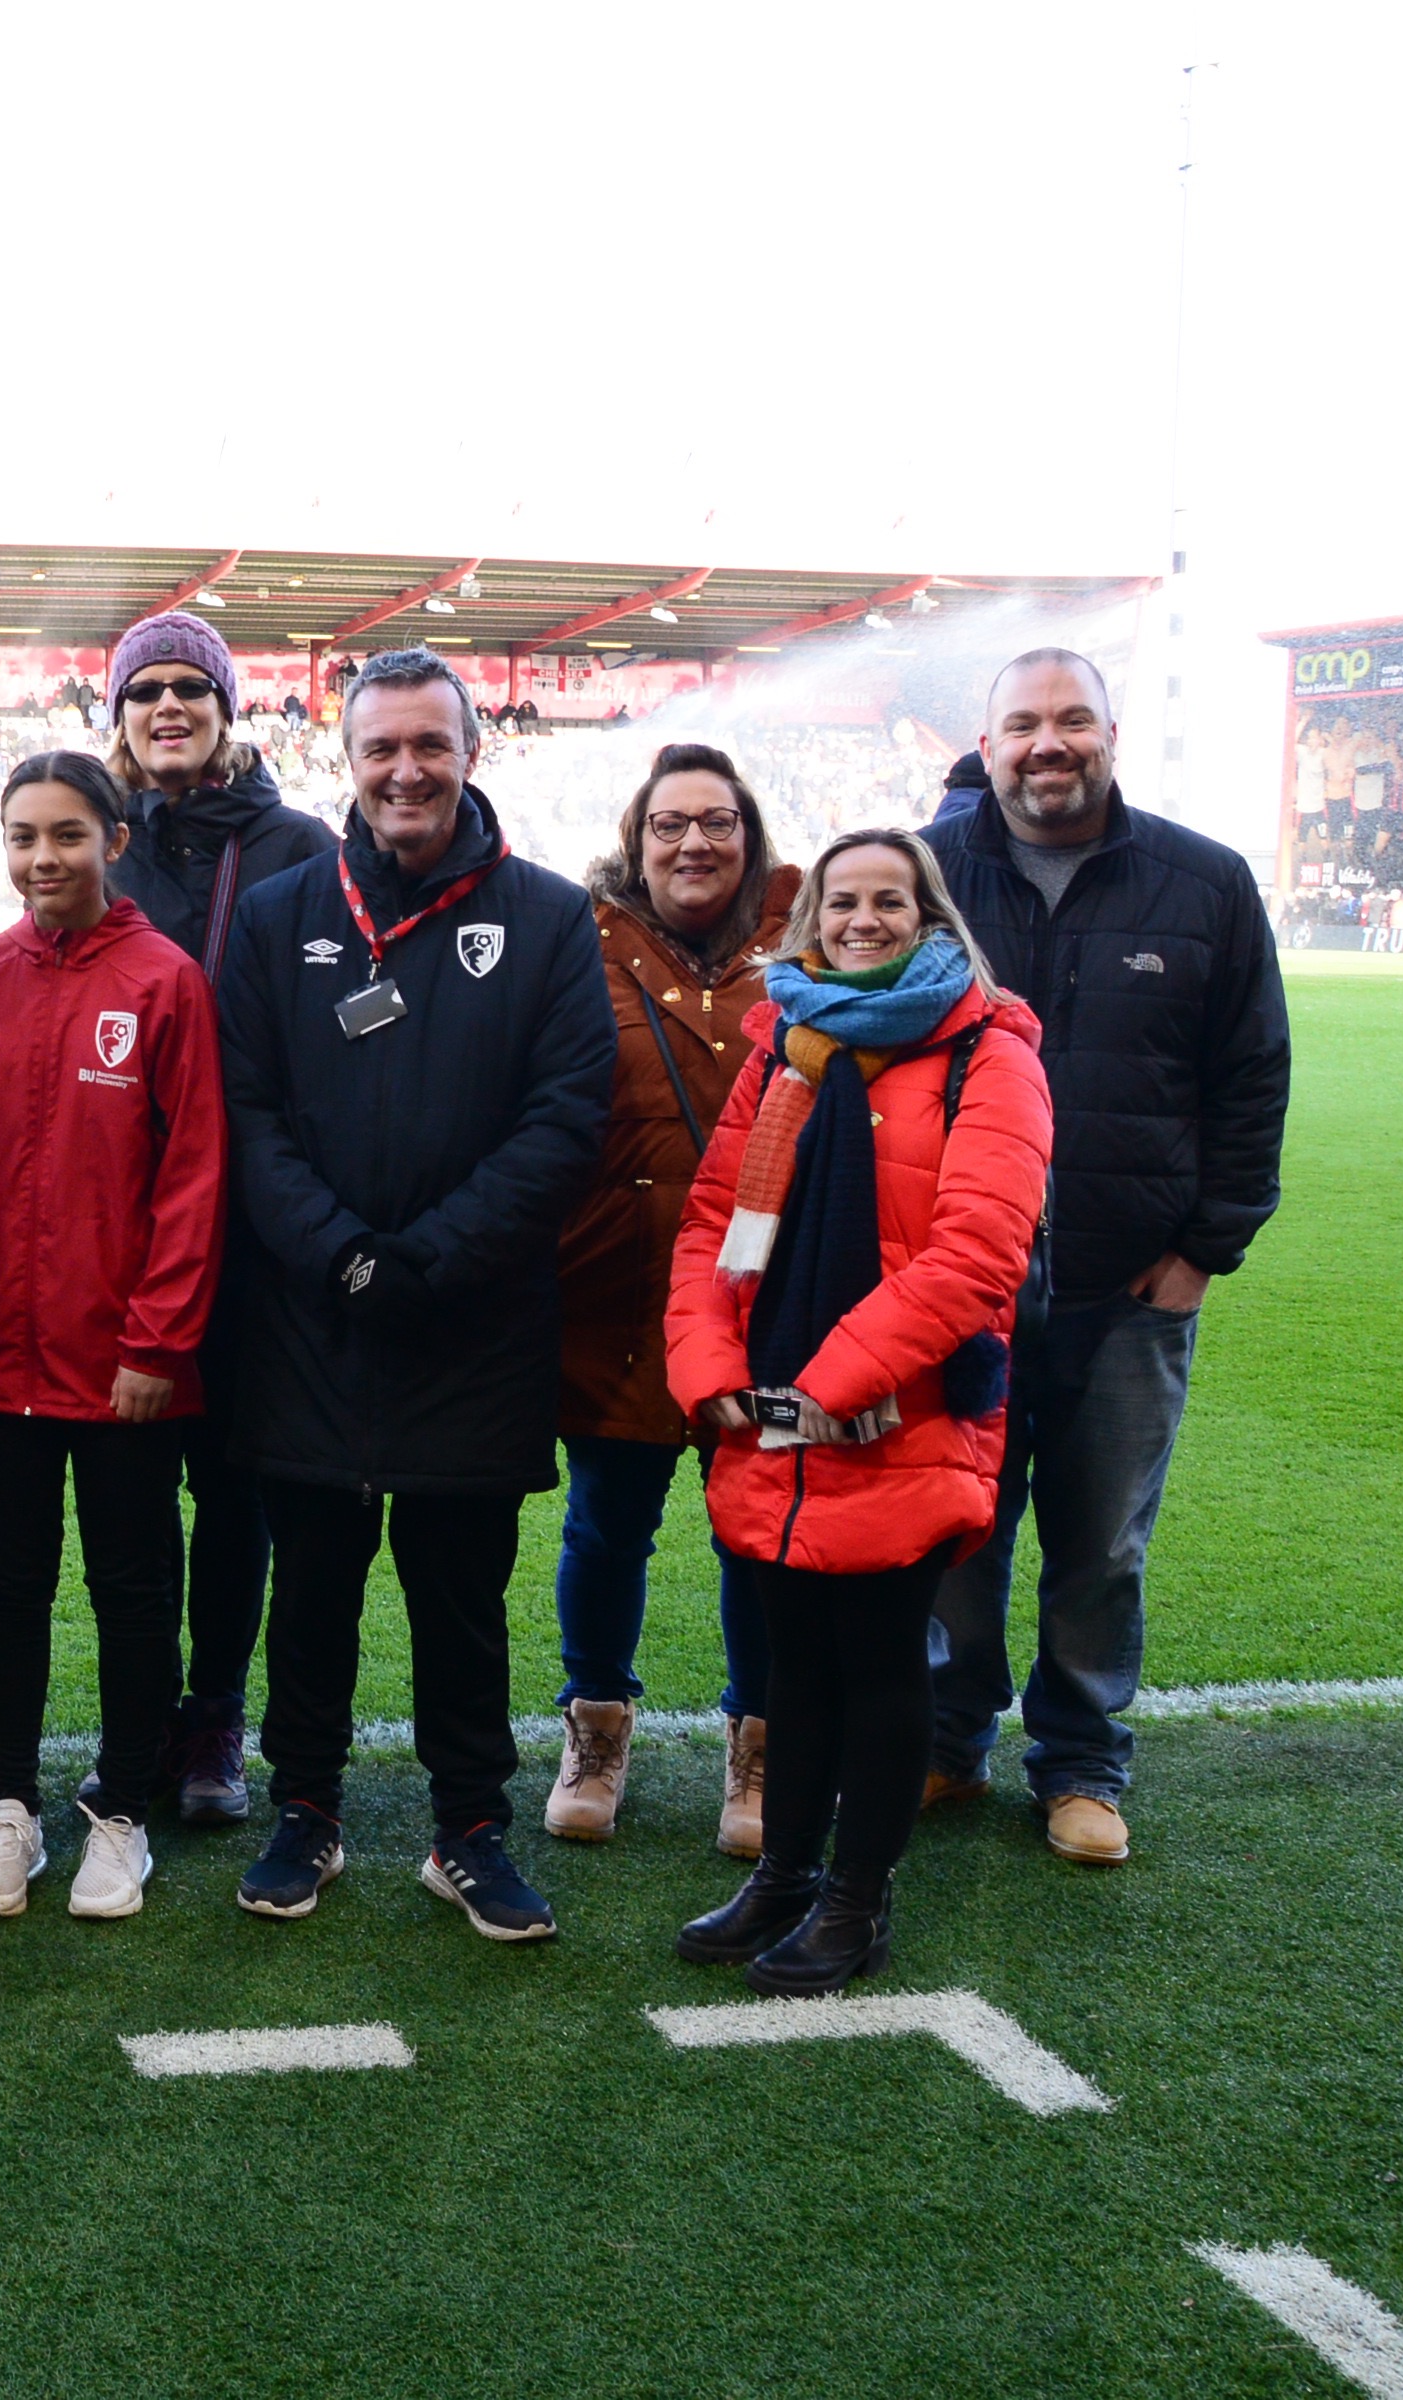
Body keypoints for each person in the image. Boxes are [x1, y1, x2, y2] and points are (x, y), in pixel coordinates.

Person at [217, 648, 613, 1942]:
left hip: (474, 1327)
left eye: (427, 745)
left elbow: (566, 1121)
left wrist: (432, 1256)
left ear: (472, 749)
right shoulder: (280, 916)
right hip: (311, 1321)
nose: (405, 769)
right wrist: (339, 1250)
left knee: (462, 1597)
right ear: (346, 758)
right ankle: (306, 1811)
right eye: (381, 747)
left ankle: (470, 1830)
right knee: (313, 1588)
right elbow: (248, 1112)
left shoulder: (551, 919)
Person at [918, 649, 1289, 1864]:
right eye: (1022, 722)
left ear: (1113, 734)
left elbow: (1250, 1078)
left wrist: (1204, 1253)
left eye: (1072, 719)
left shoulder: (1205, 881)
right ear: (986, 744)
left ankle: (1081, 1765)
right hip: (961, 1290)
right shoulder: (929, 875)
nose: (1048, 743)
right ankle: (945, 1740)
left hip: (1129, 1292)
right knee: (956, 1531)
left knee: (1102, 1546)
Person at [666, 830, 1049, 1991]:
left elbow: (977, 1256)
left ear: (931, 918)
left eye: (890, 900)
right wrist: (708, 1365)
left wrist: (828, 1381)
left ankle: (855, 1900)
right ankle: (785, 1876)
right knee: (794, 1659)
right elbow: (709, 1227)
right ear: (812, 919)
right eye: (843, 902)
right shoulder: (784, 1047)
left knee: (882, 1657)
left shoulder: (991, 1052)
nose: (863, 919)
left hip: (898, 1411)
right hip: (773, 1412)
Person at [0, 754, 225, 1920]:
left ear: (114, 839)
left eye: (65, 834)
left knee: (132, 1588)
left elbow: (195, 1174)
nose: (41, 858)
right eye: (20, 837)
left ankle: (121, 1811)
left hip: (124, 1369)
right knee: (9, 1586)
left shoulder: (165, 981)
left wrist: (158, 1342)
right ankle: (10, 1803)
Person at [101, 610, 336, 1826]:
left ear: (231, 706)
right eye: (148, 691)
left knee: (234, 1492)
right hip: (125, 1237)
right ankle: (141, 1718)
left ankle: (217, 1720)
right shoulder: (98, 847)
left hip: (259, 1235)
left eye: (194, 687)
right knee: (134, 1496)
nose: (171, 707)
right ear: (119, 716)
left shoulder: (301, 846)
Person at [546, 745, 801, 1853]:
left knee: (761, 1532)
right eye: (669, 826)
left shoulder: (810, 947)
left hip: (773, 1306)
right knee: (607, 1527)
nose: (693, 843)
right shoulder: (579, 945)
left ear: (749, 837)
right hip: (617, 1293)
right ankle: (596, 1729)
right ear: (634, 841)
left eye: (716, 823)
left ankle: (760, 1751)